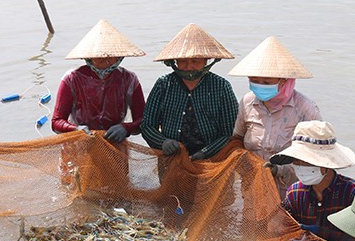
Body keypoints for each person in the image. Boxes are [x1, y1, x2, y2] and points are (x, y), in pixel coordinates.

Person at [229, 37, 321, 200]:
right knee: (253, 223)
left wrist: (278, 170)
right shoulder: (247, 102)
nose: (260, 85)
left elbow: (316, 157)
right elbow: (237, 139)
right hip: (254, 185)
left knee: (287, 224)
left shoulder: (305, 109)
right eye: (255, 81)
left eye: (266, 81)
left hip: (292, 191)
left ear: (283, 80)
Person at [141, 24, 239, 161]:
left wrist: (205, 153)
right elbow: (147, 126)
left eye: (195, 61)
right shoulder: (164, 84)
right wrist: (162, 142)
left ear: (206, 60)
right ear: (174, 62)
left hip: (212, 159)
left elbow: (229, 133)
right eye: (182, 61)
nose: (189, 67)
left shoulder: (221, 86)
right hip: (172, 158)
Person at [52, 19, 146, 142]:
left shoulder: (129, 80)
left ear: (119, 57)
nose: (105, 58)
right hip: (80, 144)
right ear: (89, 57)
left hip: (114, 142)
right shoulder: (72, 79)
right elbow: (56, 122)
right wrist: (75, 129)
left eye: (110, 55)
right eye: (99, 54)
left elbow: (143, 120)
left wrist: (126, 128)